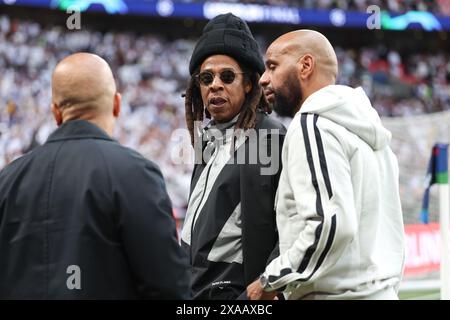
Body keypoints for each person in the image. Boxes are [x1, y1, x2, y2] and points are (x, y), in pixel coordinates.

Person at [0, 53, 191, 299]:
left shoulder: (8, 180)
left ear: (56, 112)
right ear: (116, 105)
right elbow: (170, 288)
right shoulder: (136, 174)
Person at [247, 30, 405, 300]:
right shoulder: (371, 133)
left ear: (305, 66)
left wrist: (270, 280)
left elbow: (331, 224)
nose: (263, 78)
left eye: (272, 66)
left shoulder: (312, 124)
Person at [181, 13, 286, 300]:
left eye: (227, 76)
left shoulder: (269, 136)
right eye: (206, 77)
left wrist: (265, 286)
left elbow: (290, 225)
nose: (215, 85)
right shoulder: (208, 139)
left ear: (250, 83)